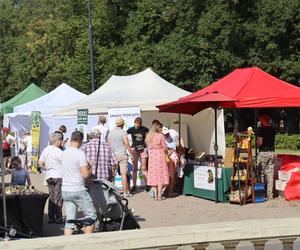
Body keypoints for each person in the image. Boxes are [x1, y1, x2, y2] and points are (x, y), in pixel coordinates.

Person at [61, 131, 97, 235]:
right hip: (78, 189)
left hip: (65, 190)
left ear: (71, 139)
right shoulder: (80, 153)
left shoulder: (64, 153)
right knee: (91, 216)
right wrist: (89, 166)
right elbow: (86, 175)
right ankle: (86, 244)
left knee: (69, 221)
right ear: (81, 141)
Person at [39, 132, 64, 224]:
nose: (61, 142)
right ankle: (58, 217)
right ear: (57, 141)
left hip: (49, 175)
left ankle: (51, 217)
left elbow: (40, 163)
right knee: (58, 197)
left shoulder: (46, 149)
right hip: (58, 175)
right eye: (60, 140)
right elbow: (65, 163)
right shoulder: (59, 151)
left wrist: (47, 168)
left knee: (52, 197)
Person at [108, 117, 134, 197]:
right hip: (122, 155)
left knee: (113, 175)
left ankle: (113, 193)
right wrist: (131, 154)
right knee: (123, 174)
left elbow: (108, 145)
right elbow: (126, 143)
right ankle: (125, 192)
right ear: (122, 124)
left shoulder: (111, 133)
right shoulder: (123, 132)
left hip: (113, 156)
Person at [146, 121, 169, 200]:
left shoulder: (149, 136)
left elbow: (148, 146)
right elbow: (164, 147)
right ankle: (159, 195)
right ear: (157, 127)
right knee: (160, 175)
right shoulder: (161, 136)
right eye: (160, 128)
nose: (161, 129)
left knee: (154, 175)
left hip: (152, 156)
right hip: (160, 155)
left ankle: (155, 196)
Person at [257, 114, 276, 200]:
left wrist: (257, 141)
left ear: (263, 120)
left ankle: (261, 193)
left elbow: (260, 143)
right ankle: (270, 195)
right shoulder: (273, 129)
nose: (260, 121)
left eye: (260, 119)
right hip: (272, 153)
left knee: (260, 173)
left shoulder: (261, 130)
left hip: (263, 152)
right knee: (270, 174)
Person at [127, 117, 149, 192]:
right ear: (134, 123)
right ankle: (134, 185)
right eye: (136, 123)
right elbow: (124, 136)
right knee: (135, 169)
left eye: (138, 123)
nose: (137, 125)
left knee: (144, 168)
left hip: (143, 149)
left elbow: (149, 135)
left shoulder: (144, 129)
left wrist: (147, 141)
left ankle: (147, 185)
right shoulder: (131, 129)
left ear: (140, 123)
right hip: (134, 149)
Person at [162, 127, 184, 196]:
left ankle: (171, 189)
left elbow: (180, 138)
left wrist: (183, 147)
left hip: (174, 154)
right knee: (168, 173)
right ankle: (168, 189)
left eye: (167, 133)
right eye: (165, 134)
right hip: (167, 155)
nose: (167, 135)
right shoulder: (161, 138)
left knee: (173, 172)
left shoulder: (173, 132)